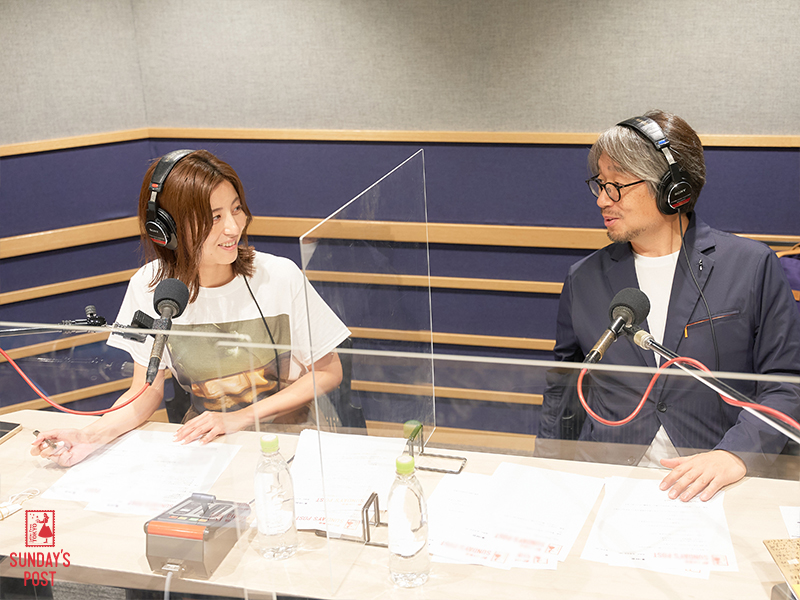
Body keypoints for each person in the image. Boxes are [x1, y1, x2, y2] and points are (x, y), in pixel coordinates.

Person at [537, 110, 800, 501]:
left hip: (714, 488)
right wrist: (544, 474)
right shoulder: (583, 278)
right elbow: (563, 391)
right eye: (600, 185)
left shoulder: (752, 266)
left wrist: (736, 453)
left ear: (671, 187)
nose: (603, 200)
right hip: (607, 483)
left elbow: (786, 383)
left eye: (617, 185)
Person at [32, 150, 350, 466]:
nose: (233, 227)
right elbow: (145, 391)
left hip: (292, 436)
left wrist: (241, 417)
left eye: (236, 209)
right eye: (215, 217)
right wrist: (88, 437)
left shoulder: (279, 275)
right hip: (209, 443)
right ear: (166, 228)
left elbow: (328, 371)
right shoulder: (150, 287)